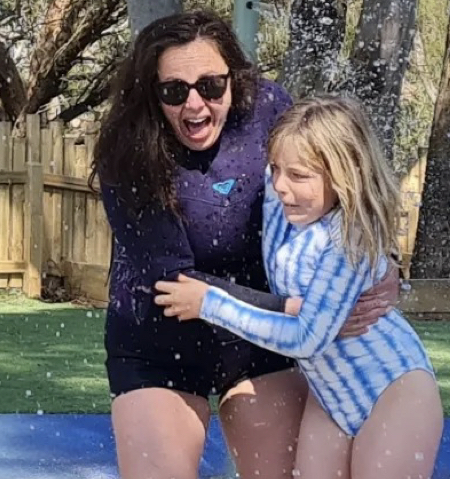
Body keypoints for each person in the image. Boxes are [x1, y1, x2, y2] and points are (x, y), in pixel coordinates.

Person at [92, 10, 398, 479]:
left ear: (234, 77)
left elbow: (339, 192)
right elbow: (176, 284)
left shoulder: (269, 110)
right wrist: (297, 307)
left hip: (258, 336)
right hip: (158, 336)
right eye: (174, 91)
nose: (195, 105)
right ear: (153, 96)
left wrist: (384, 265)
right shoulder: (126, 151)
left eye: (211, 86)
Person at [155, 96, 442, 479]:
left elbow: (307, 338)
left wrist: (211, 304)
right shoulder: (283, 202)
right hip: (330, 399)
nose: (281, 186)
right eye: (275, 169)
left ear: (346, 175)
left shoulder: (349, 239)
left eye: (299, 176)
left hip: (394, 390)